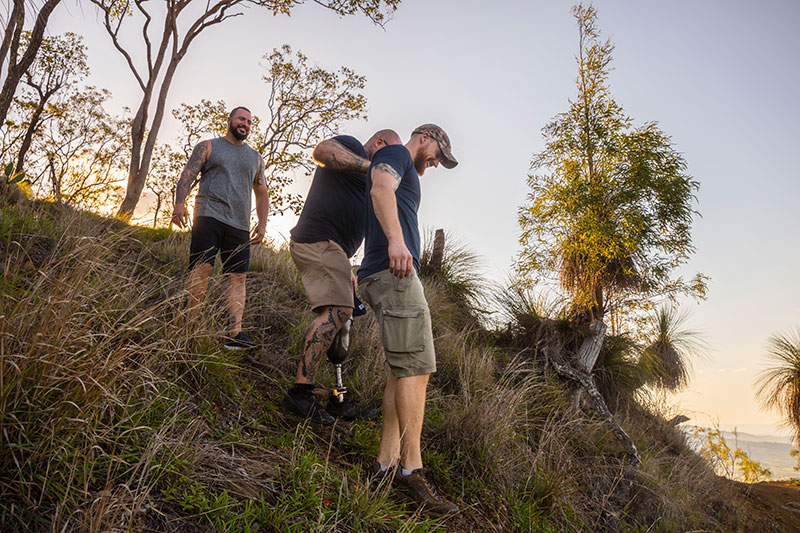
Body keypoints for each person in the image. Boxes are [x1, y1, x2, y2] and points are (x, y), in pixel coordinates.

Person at [357, 124, 459, 517]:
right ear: (425, 136)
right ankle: (410, 471)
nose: (435, 162)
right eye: (438, 153)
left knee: (402, 371)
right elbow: (380, 189)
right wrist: (398, 243)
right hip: (395, 272)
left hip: (383, 272)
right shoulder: (397, 152)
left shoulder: (403, 163)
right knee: (417, 368)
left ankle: (384, 463)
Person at [283, 129, 402, 424]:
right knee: (338, 310)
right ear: (379, 144)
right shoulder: (353, 149)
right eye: (388, 155)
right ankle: (300, 393)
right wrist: (371, 166)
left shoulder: (371, 184)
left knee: (343, 323)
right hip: (317, 239)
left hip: (336, 253)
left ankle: (337, 398)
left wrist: (348, 268)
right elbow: (322, 150)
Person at [171, 106, 269, 349]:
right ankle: (190, 326)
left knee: (239, 277)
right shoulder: (209, 146)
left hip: (239, 225)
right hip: (209, 216)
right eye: (241, 119)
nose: (244, 124)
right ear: (229, 121)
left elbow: (262, 192)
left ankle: (234, 334)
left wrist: (263, 224)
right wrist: (179, 204)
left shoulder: (256, 158)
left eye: (248, 121)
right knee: (202, 270)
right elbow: (188, 174)